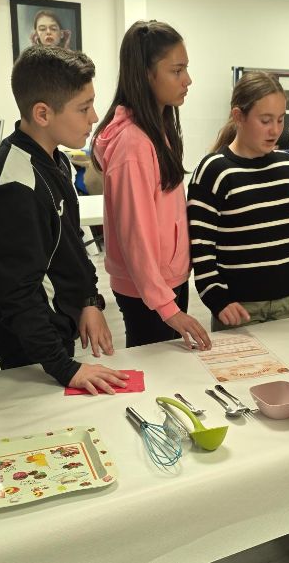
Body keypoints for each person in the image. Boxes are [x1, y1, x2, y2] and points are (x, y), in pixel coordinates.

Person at [0, 45, 126, 395]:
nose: (94, 117)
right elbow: (17, 293)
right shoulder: (16, 185)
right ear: (42, 113)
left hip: (55, 328)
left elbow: (69, 245)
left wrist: (88, 300)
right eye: (84, 108)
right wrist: (64, 368)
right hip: (30, 345)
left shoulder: (55, 159)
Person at [92, 20, 210, 350]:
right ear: (146, 74)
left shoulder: (157, 128)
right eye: (177, 70)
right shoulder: (133, 145)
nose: (188, 80)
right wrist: (167, 307)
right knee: (157, 370)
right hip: (149, 290)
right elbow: (136, 237)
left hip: (163, 283)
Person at [187, 72, 289, 331]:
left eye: (280, 119)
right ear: (238, 116)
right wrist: (217, 298)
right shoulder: (214, 171)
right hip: (239, 308)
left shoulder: (288, 166)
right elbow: (201, 247)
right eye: (265, 120)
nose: (275, 130)